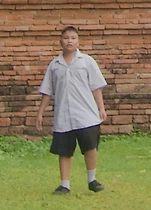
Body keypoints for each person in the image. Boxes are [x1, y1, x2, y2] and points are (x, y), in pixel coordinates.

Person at [34, 25, 108, 195]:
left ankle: (92, 179)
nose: (69, 41)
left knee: (90, 147)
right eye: (66, 37)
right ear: (61, 41)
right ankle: (65, 184)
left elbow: (96, 86)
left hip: (86, 114)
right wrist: (40, 113)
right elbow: (47, 91)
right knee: (64, 150)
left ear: (78, 41)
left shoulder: (87, 61)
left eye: (73, 38)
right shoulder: (55, 65)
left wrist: (101, 108)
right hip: (63, 115)